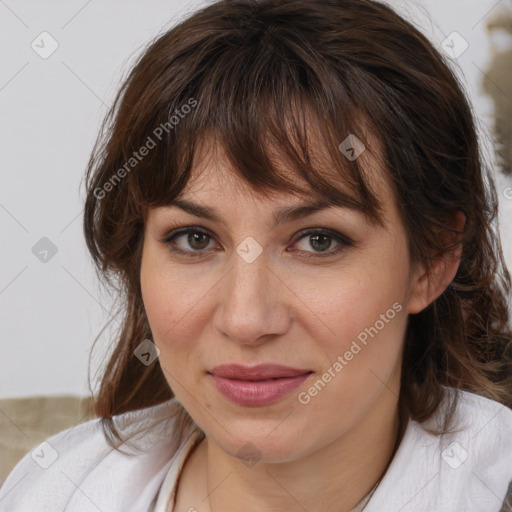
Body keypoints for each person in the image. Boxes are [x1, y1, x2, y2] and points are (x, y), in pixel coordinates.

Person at [1, 0, 512, 511]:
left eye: (318, 240)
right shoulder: (47, 490)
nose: (246, 320)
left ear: (432, 260)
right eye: (195, 239)